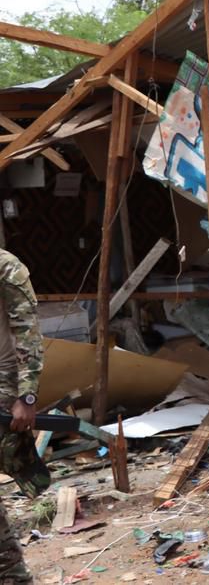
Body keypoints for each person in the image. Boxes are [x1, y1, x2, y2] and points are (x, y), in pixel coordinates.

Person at [0, 248, 46, 583]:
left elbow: (27, 330)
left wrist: (26, 396)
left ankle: (12, 574)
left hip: (3, 380)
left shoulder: (5, 266)